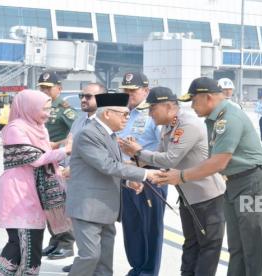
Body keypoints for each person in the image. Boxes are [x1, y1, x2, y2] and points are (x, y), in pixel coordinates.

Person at [156, 77, 262, 276]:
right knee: (237, 249)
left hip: (253, 185)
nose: (192, 106)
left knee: (254, 250)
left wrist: (183, 176)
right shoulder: (215, 119)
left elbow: (218, 162)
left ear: (209, 97)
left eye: (194, 101)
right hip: (234, 184)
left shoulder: (228, 118)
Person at [118, 87, 226, 276]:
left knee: (208, 248)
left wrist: (138, 152)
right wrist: (133, 160)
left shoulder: (187, 124)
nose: (150, 114)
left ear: (168, 107)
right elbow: (157, 157)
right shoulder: (169, 126)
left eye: (152, 109)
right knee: (191, 244)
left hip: (207, 198)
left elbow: (169, 159)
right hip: (187, 196)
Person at [66, 93, 160, 276]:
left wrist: (128, 181)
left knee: (104, 264)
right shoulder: (89, 134)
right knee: (90, 257)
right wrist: (146, 173)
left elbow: (110, 167)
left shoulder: (110, 135)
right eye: (123, 114)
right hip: (88, 207)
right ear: (107, 114)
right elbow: (107, 165)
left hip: (106, 209)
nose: (127, 118)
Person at [0, 90, 72, 275]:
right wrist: (66, 150)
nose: (48, 113)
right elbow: (35, 158)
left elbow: (46, 158)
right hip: (19, 192)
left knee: (28, 244)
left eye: (49, 108)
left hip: (35, 192)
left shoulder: (38, 127)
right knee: (24, 246)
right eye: (43, 109)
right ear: (29, 108)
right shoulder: (15, 128)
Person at [118, 72, 165, 276]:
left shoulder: (154, 115)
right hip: (125, 176)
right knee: (132, 226)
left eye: (133, 91)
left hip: (150, 177)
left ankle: (148, 271)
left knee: (150, 228)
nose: (128, 94)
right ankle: (136, 268)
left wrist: (138, 156)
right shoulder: (122, 113)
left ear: (145, 91)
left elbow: (166, 152)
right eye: (125, 91)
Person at [59, 82, 106, 273]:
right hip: (73, 182)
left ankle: (91, 265)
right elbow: (71, 144)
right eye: (82, 96)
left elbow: (101, 156)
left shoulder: (105, 121)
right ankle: (83, 261)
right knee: (78, 226)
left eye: (88, 96)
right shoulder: (80, 119)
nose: (83, 99)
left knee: (95, 230)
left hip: (92, 185)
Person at [37, 71, 77, 259]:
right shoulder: (38, 107)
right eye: (41, 87)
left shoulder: (64, 109)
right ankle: (55, 241)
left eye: (48, 88)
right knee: (48, 205)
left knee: (60, 205)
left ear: (58, 89)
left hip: (57, 162)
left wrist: (59, 144)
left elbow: (76, 133)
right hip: (42, 161)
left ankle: (67, 243)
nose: (44, 91)